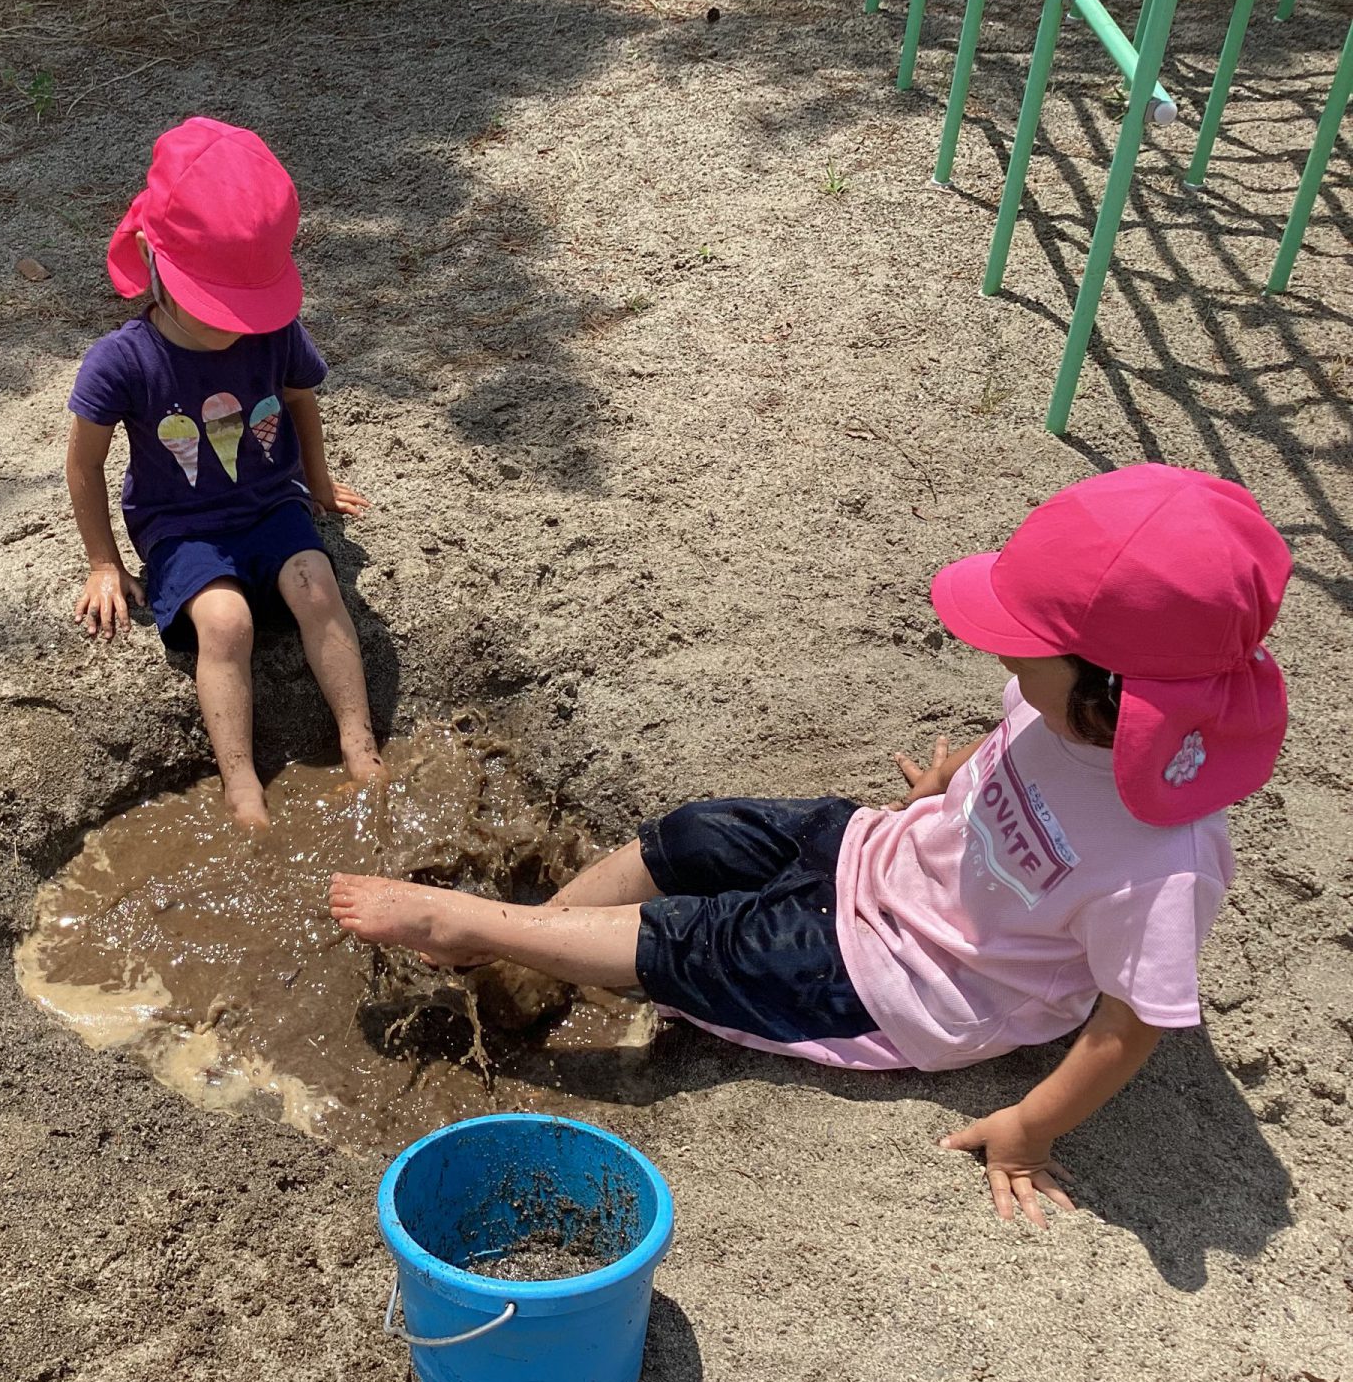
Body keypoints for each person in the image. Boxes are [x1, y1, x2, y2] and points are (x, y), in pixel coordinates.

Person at [330, 464, 1292, 1225]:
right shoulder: (1068, 705)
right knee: (697, 832)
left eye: (1023, 642)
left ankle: (473, 927)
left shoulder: (1160, 864)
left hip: (909, 979)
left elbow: (1131, 1026)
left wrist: (1030, 1130)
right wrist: (947, 787)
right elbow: (1012, 741)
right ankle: (536, 928)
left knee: (699, 939)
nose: (1000, 650)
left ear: (1115, 694)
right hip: (883, 855)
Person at [66, 117, 381, 829]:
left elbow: (300, 401)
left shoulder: (276, 332)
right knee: (226, 620)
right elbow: (84, 464)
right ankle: (242, 787)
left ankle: (360, 747)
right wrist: (103, 562)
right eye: (217, 306)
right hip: (183, 527)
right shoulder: (121, 361)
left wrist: (318, 483)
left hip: (270, 506)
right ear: (153, 263)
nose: (236, 325)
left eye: (247, 305)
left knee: (317, 581)